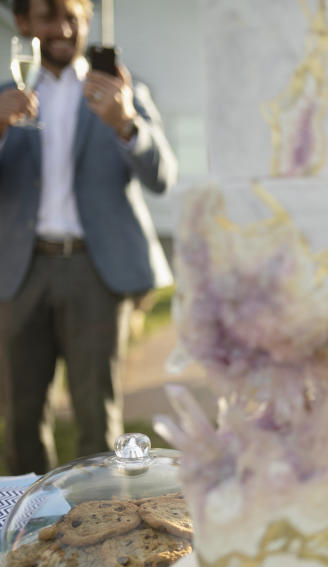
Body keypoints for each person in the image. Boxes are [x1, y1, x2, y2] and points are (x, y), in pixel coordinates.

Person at [0, 0, 176, 474]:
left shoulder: (120, 89)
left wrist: (125, 124)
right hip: (20, 271)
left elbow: (163, 175)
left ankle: (103, 525)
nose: (61, 29)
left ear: (87, 22)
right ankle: (29, 531)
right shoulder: (4, 95)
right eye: (47, 17)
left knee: (98, 417)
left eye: (72, 17)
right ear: (23, 24)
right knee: (19, 419)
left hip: (95, 272)